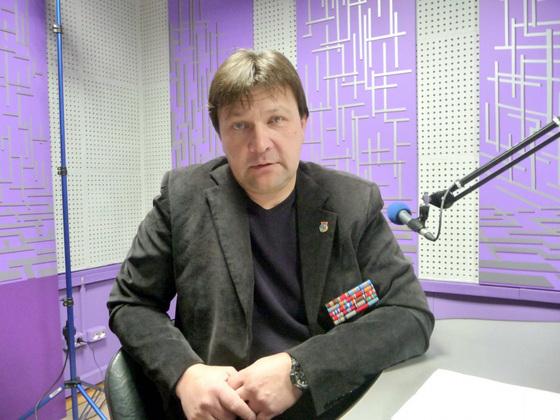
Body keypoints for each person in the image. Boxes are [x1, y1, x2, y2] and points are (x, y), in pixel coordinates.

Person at [107, 49, 434, 420]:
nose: (260, 143)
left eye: (276, 119)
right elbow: (131, 303)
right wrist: (186, 373)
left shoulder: (353, 203)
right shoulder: (182, 198)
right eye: (239, 125)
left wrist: (301, 369)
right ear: (221, 135)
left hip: (329, 408)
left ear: (302, 123)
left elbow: (409, 314)